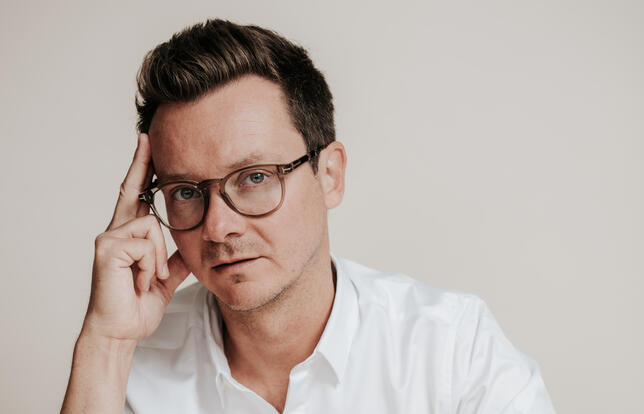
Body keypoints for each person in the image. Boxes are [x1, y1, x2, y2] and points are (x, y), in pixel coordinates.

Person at [61, 19, 557, 414]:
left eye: (255, 177)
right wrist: (107, 344)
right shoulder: (127, 360)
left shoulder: (451, 349)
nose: (217, 227)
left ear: (330, 175)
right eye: (186, 191)